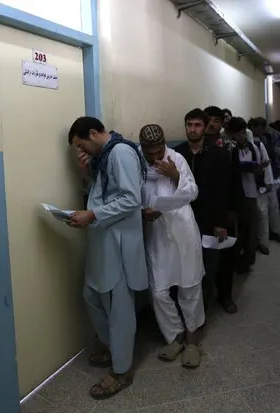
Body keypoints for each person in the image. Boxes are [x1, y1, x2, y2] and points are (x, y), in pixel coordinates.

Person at [67, 116, 148, 399]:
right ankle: (115, 348)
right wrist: (86, 175)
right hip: (104, 243)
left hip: (119, 244)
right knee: (92, 295)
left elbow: (130, 199)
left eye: (81, 145)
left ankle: (121, 371)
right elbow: (105, 195)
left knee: (119, 309)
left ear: (93, 133)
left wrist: (92, 215)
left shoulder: (121, 153)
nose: (82, 151)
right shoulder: (104, 156)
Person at [138, 124, 205, 369]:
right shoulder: (137, 163)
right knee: (158, 291)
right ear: (143, 148)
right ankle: (174, 335)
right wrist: (143, 213)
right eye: (150, 153)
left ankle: (192, 341)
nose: (155, 157)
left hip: (182, 230)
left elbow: (193, 191)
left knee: (190, 286)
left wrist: (175, 175)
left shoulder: (176, 158)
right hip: (155, 234)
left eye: (159, 151)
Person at [173, 109, 232, 313]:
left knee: (208, 266)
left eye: (197, 125)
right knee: (184, 267)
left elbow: (223, 191)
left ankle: (202, 313)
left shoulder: (219, 154)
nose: (193, 129)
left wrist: (221, 223)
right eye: (189, 124)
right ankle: (185, 312)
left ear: (205, 127)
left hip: (208, 219)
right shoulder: (177, 154)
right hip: (182, 218)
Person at [225, 117, 264, 273]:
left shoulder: (252, 147)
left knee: (250, 229)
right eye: (238, 134)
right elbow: (231, 169)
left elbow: (259, 166)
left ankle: (247, 261)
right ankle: (235, 261)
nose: (242, 137)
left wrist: (258, 169)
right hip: (235, 195)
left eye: (243, 133)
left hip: (251, 192)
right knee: (237, 231)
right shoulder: (228, 148)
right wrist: (250, 166)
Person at [251, 117, 280, 247]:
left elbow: (270, 158)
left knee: (273, 205)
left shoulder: (265, 139)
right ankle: (262, 239)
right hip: (257, 180)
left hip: (270, 175)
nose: (262, 130)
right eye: (260, 127)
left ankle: (275, 231)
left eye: (263, 127)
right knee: (261, 211)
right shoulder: (251, 141)